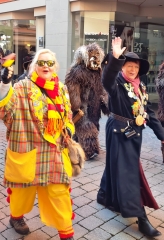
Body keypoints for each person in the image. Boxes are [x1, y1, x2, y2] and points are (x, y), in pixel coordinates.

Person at [0, 49, 76, 240]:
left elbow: (68, 116)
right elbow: (2, 110)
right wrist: (5, 84)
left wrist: (69, 129)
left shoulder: (61, 89)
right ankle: (16, 217)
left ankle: (66, 233)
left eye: (50, 63)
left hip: (54, 151)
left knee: (59, 192)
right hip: (28, 147)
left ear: (55, 66)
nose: (46, 66)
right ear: (34, 66)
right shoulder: (22, 87)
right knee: (22, 192)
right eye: (42, 63)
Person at [97, 37, 164, 237]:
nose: (132, 69)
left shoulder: (140, 86)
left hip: (135, 134)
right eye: (128, 65)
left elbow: (148, 114)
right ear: (122, 67)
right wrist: (115, 57)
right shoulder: (117, 83)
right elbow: (106, 80)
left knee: (116, 164)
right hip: (119, 132)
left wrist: (162, 135)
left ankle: (105, 196)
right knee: (129, 172)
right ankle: (141, 218)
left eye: (135, 66)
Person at [65, 43, 109, 160]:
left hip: (94, 106)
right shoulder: (78, 71)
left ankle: (75, 146)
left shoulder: (98, 72)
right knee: (86, 127)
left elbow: (102, 87)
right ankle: (90, 151)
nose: (94, 58)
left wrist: (105, 101)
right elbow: (72, 87)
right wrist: (75, 103)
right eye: (92, 55)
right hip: (82, 107)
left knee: (92, 124)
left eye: (97, 55)